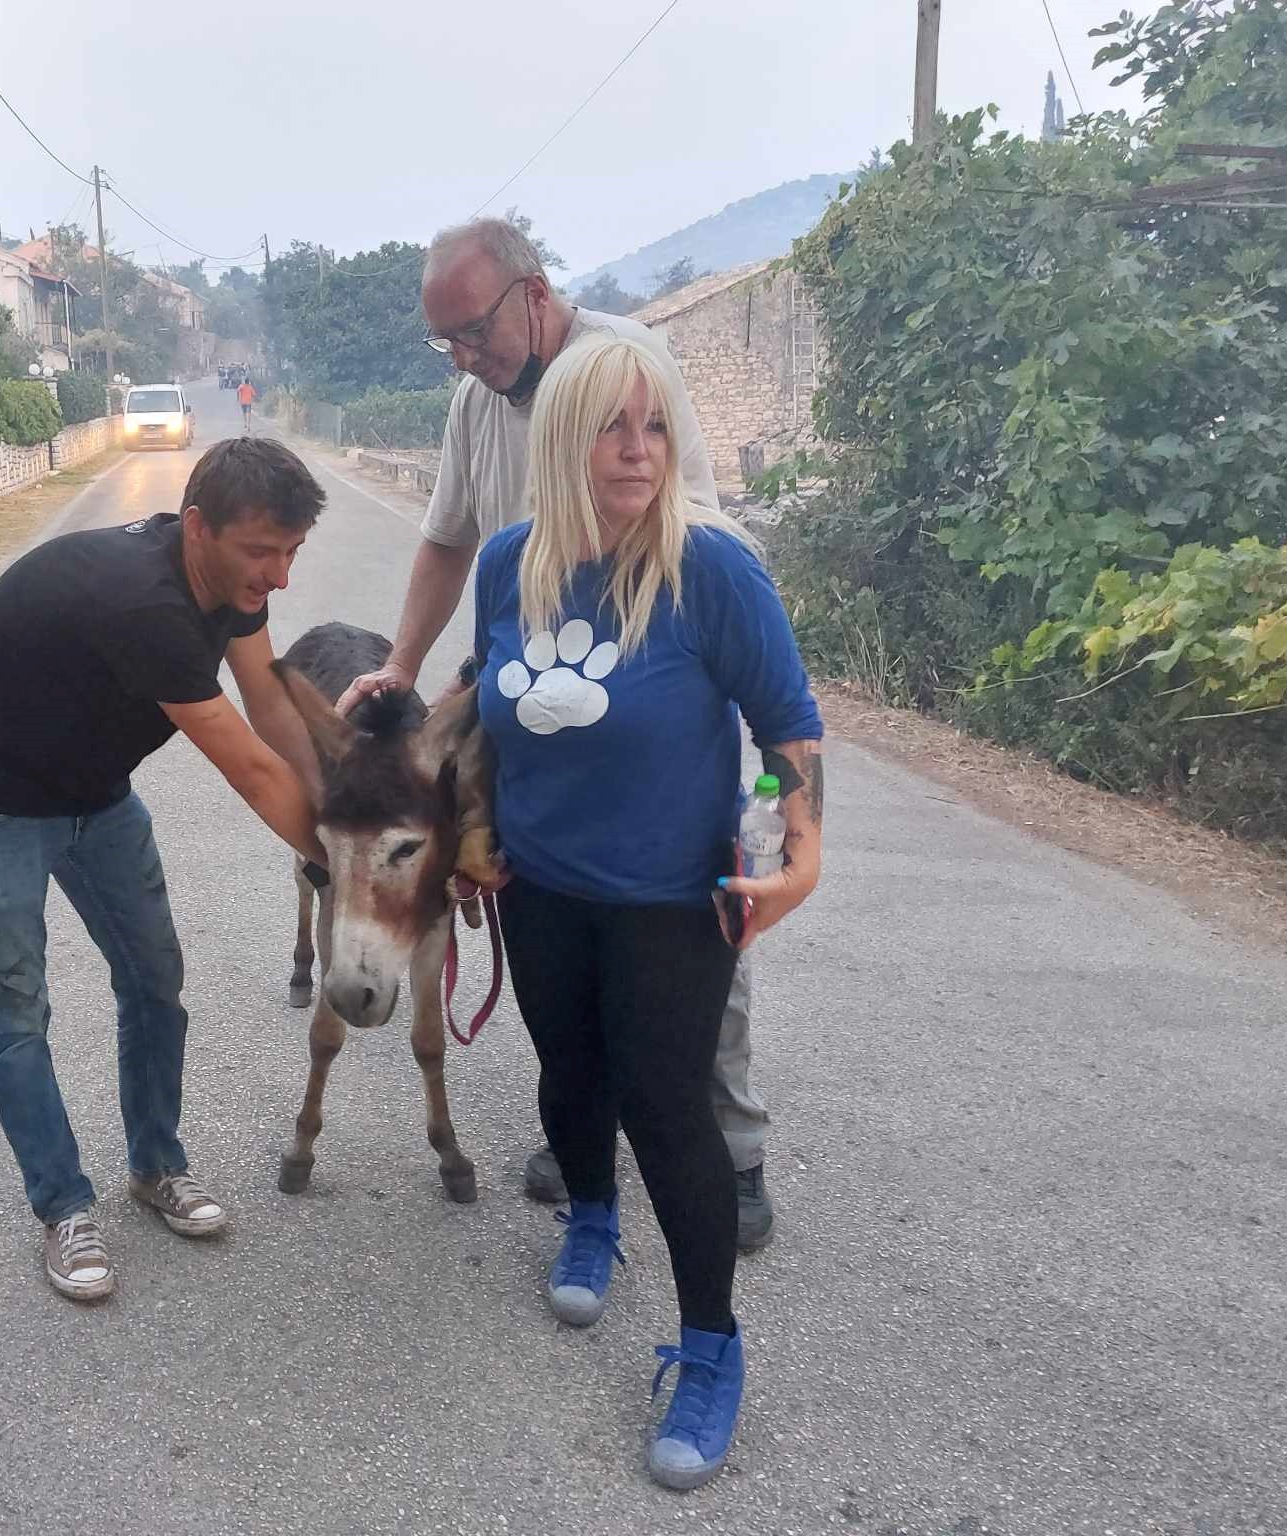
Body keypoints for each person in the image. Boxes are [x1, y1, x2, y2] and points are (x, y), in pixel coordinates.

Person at [339, 217, 782, 1252]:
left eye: (474, 331)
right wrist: (405, 667)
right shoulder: (473, 404)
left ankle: (733, 1145)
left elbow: (695, 528)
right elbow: (448, 540)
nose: (462, 355)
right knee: (549, 913)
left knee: (687, 922)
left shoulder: (628, 367)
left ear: (531, 295)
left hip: (643, 704)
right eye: (443, 341)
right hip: (536, 696)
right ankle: (585, 1129)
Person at [470, 333, 824, 1489]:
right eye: (612, 427)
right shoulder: (506, 565)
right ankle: (587, 1214)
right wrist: (471, 829)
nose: (636, 451)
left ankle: (711, 1350)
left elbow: (785, 733)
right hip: (540, 887)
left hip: (673, 901)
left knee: (667, 1111)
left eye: (655, 425)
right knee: (566, 1078)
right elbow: (487, 712)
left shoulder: (709, 569)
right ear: (562, 440)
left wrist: (797, 852)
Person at [0, 437, 326, 1303]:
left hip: (93, 794)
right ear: (199, 527)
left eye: (291, 553)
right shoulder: (147, 605)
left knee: (153, 979)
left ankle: (156, 1167)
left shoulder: (233, 585)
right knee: (17, 1009)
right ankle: (63, 1204)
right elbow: (250, 770)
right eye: (261, 552)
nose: (279, 576)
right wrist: (355, 873)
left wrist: (342, 819)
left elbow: (269, 711)